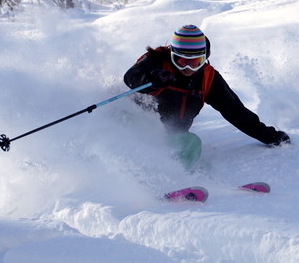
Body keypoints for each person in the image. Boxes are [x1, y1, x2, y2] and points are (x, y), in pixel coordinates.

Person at [124, 25, 290, 167]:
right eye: (181, 61)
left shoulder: (208, 78)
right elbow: (130, 77)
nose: (188, 67)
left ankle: (175, 177)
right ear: (172, 54)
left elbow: (234, 110)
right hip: (135, 124)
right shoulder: (157, 61)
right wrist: (151, 79)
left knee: (190, 144)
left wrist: (268, 136)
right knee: (129, 130)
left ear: (205, 58)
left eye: (195, 62)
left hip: (171, 135)